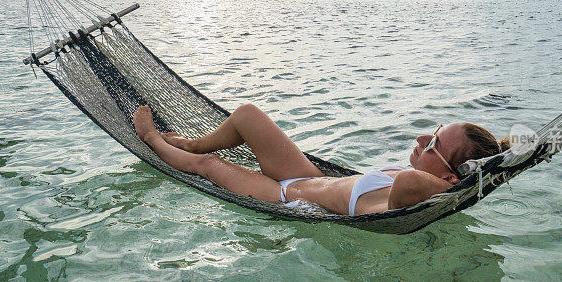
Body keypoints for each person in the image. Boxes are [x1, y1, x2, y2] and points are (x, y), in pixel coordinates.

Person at [133, 103, 508, 215]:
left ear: (447, 178)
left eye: (433, 144)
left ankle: (151, 138)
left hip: (282, 195)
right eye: (435, 129)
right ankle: (194, 143)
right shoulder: (418, 177)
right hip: (306, 175)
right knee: (247, 115)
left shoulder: (406, 197)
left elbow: (414, 184)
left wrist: (469, 179)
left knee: (209, 168)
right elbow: (424, 174)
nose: (422, 137)